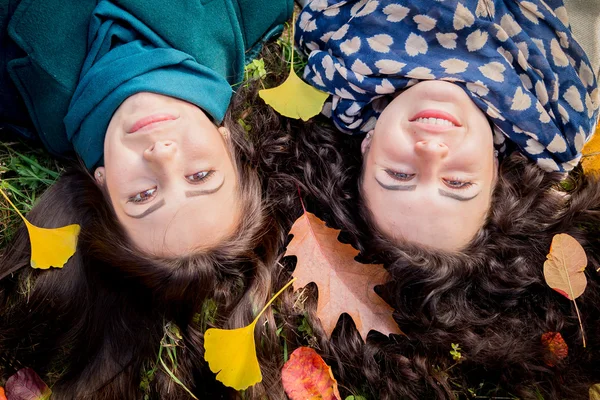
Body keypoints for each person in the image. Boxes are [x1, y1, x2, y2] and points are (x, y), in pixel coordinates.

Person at [0, 0, 295, 398]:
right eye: (201, 175)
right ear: (227, 143)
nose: (162, 155)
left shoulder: (12, 93)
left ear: (102, 185)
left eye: (143, 195)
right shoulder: (255, 8)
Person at [294, 0, 599, 251]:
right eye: (456, 182)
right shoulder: (563, 105)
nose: (430, 151)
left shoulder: (333, 44)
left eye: (399, 174)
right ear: (496, 169)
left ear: (367, 144)